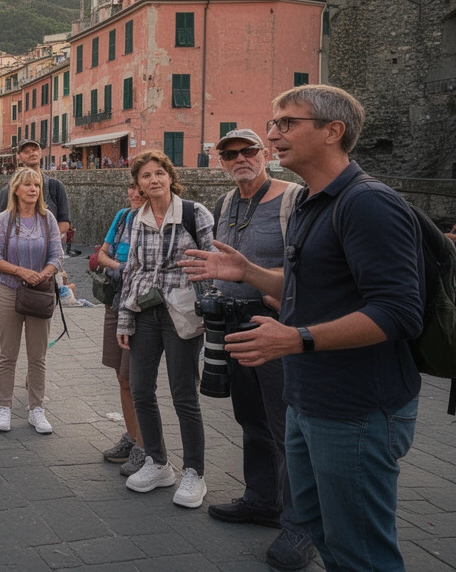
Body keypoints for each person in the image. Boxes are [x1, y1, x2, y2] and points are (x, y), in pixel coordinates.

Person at [181, 84, 425, 572]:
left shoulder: (368, 202)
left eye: (287, 123)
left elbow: (399, 311)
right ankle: (268, 505)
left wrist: (296, 338)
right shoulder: (315, 202)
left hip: (355, 407)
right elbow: (303, 285)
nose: (273, 134)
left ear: (333, 131)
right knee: (326, 535)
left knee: (360, 552)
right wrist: (247, 272)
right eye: (273, 124)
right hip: (309, 395)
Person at [201, 130, 314, 570]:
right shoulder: (225, 203)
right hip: (232, 324)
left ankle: (302, 525)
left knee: (288, 427)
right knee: (251, 418)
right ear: (222, 162)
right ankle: (262, 499)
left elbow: (311, 263)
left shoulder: (293, 199)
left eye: (248, 150)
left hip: (274, 325)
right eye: (230, 154)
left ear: (265, 154)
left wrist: (277, 298)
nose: (240, 158)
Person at [116, 151, 214, 509]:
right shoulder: (137, 218)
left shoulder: (194, 213)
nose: (153, 180)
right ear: (138, 184)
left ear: (170, 177)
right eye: (145, 176)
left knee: (183, 394)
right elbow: (132, 269)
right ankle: (157, 462)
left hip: (183, 311)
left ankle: (195, 472)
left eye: (159, 173)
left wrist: (210, 312)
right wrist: (124, 318)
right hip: (145, 311)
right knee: (141, 389)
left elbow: (213, 263)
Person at [0, 167, 64, 435]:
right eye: (28, 185)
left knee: (37, 356)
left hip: (40, 292)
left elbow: (57, 255)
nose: (33, 189)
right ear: (16, 189)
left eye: (37, 185)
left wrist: (43, 274)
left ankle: (36, 408)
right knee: (7, 355)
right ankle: (4, 407)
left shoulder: (47, 219)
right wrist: (21, 272)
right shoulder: (4, 220)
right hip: (10, 291)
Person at [93, 184, 146, 477]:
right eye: (132, 186)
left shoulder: (158, 219)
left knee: (136, 379)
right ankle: (132, 436)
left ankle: (145, 446)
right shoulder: (123, 216)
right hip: (115, 301)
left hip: (141, 306)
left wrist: (119, 267)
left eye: (141, 188)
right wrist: (122, 267)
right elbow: (101, 255)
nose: (135, 193)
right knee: (121, 376)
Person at [0, 139, 71, 236]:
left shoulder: (56, 186)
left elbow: (64, 222)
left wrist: (46, 239)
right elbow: (3, 224)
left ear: (40, 153)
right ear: (18, 156)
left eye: (35, 149)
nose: (32, 153)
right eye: (26, 151)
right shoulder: (8, 190)